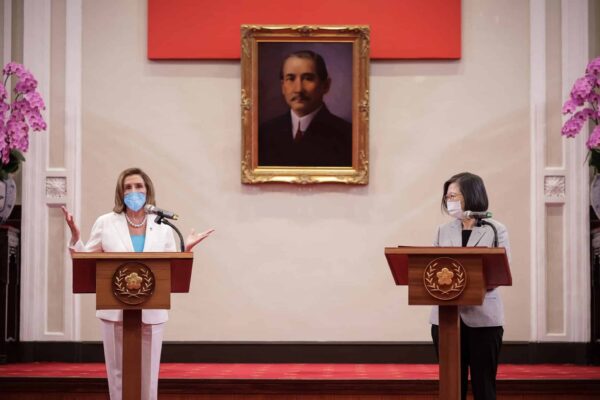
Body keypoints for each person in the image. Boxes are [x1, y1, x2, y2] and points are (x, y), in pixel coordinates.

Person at [62, 167, 214, 400]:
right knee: (117, 375)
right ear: (120, 193)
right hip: (114, 313)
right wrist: (75, 237)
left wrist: (185, 249)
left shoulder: (162, 226)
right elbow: (84, 261)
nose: (134, 191)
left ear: (148, 190)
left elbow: (169, 266)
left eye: (138, 186)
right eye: (128, 187)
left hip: (152, 312)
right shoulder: (106, 222)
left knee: (149, 377)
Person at [430, 172, 510, 400]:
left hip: (484, 318)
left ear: (471, 196)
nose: (449, 201)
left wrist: (470, 285)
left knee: (483, 386)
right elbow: (432, 269)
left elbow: (502, 271)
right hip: (445, 319)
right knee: (452, 387)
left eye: (453, 195)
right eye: (447, 197)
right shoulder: (442, 231)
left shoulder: (495, 229)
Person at [259, 50, 352, 167]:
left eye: (308, 78)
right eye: (291, 79)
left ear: (325, 85)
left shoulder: (348, 136)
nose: (298, 89)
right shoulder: (264, 133)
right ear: (283, 86)